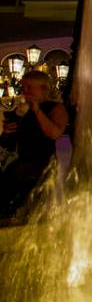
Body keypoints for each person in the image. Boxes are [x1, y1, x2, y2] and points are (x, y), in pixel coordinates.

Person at [0, 71, 68, 217]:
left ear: (43, 89)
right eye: (23, 87)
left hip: (44, 166)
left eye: (29, 87)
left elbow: (54, 133)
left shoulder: (56, 108)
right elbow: (13, 142)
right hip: (22, 164)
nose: (24, 91)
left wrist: (37, 110)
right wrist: (6, 131)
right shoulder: (22, 110)